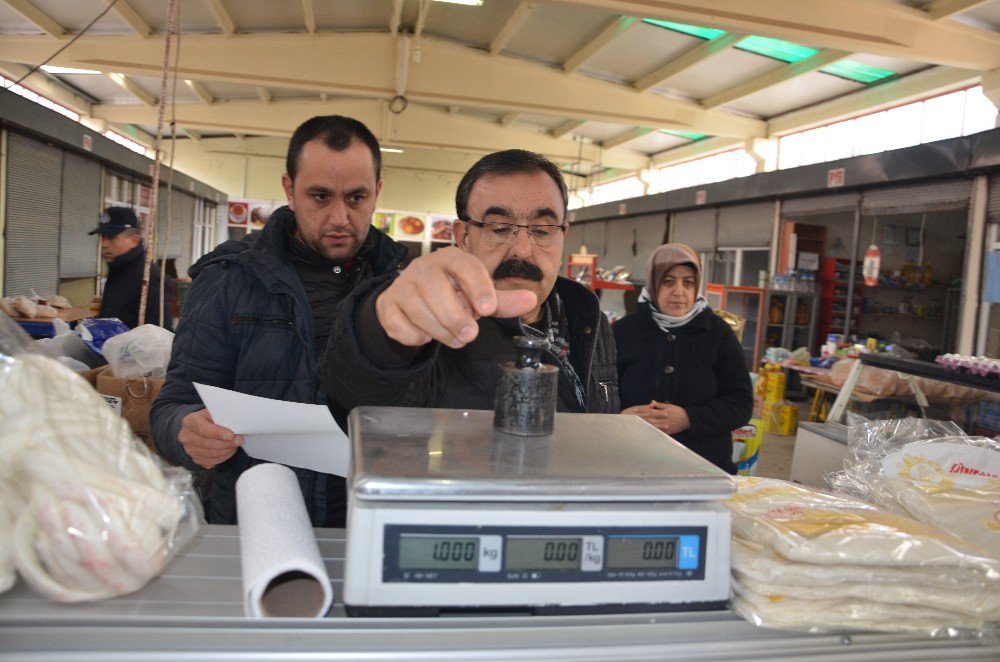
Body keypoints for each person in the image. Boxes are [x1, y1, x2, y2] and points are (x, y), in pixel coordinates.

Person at [150, 115, 408, 526]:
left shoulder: (405, 285)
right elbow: (172, 404)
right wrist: (186, 430)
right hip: (256, 523)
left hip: (371, 523)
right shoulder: (228, 279)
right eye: (320, 197)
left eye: (356, 198)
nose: (340, 217)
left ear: (377, 190)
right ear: (290, 190)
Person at [320, 149, 619, 414]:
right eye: (499, 227)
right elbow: (362, 398)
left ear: (562, 235)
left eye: (542, 229)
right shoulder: (439, 328)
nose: (523, 249)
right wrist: (380, 333)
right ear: (463, 237)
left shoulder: (589, 319)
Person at [614, 243, 752, 474]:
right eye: (668, 281)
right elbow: (597, 394)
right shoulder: (623, 331)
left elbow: (740, 403)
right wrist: (619, 418)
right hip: (633, 466)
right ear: (653, 283)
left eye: (688, 282)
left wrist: (690, 418)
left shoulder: (717, 334)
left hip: (705, 469)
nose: (679, 291)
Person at [89, 207, 173, 331]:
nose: (104, 244)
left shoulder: (149, 278)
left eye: (111, 238)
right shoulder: (118, 268)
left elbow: (159, 336)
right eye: (102, 237)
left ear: (134, 240)